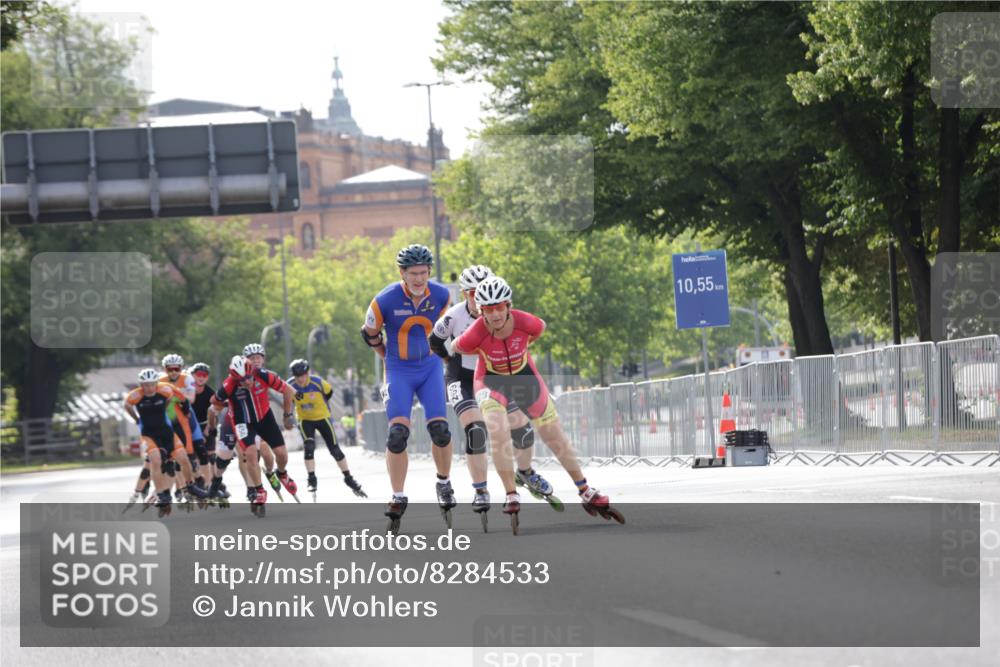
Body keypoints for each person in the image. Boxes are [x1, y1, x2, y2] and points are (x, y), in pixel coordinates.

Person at [454, 276, 623, 523]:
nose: (495, 314)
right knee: (498, 430)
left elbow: (538, 330)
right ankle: (511, 494)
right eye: (488, 310)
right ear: (481, 311)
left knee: (554, 436)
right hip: (490, 381)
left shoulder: (527, 322)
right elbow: (458, 346)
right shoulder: (476, 332)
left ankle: (585, 490)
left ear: (508, 305)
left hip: (525, 377)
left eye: (500, 306)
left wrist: (517, 350)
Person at [429, 265, 558, 520]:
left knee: (522, 430)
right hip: (462, 379)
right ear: (465, 294)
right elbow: (434, 341)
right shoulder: (453, 317)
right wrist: (448, 360)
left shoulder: (501, 315)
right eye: (472, 295)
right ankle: (481, 490)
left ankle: (526, 472)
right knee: (476, 431)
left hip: (494, 377)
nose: (479, 300)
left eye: (482, 293)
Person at [361, 243, 455, 526]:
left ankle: (444, 482)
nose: (419, 279)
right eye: (413, 273)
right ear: (402, 272)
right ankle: (398, 495)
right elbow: (369, 333)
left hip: (429, 369)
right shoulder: (384, 299)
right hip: (399, 371)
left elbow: (445, 332)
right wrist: (387, 358)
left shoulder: (441, 295)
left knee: (440, 430)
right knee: (397, 435)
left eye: (424, 273)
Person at [209, 355, 297, 514]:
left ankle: (282, 473)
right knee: (250, 453)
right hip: (243, 422)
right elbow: (213, 402)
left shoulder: (263, 374)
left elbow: (289, 390)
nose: (247, 382)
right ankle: (259, 490)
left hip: (264, 418)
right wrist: (212, 425)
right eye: (241, 380)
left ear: (252, 372)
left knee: (281, 453)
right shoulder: (229, 385)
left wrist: (287, 415)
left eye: (249, 378)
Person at [123, 369, 200, 516]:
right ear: (141, 385)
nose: (149, 388)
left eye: (151, 385)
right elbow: (126, 405)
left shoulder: (166, 390)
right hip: (149, 434)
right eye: (145, 385)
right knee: (155, 462)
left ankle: (187, 489)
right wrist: (136, 419)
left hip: (167, 432)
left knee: (181, 459)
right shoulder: (135, 395)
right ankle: (158, 493)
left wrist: (171, 409)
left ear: (156, 384)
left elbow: (179, 399)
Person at [287, 358, 366, 497]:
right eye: (297, 377)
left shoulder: (318, 383)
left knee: (335, 450)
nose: (300, 379)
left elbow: (329, 394)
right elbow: (287, 399)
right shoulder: (290, 386)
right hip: (305, 420)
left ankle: (348, 478)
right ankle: (311, 479)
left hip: (323, 418)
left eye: (303, 376)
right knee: (309, 447)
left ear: (308, 373)